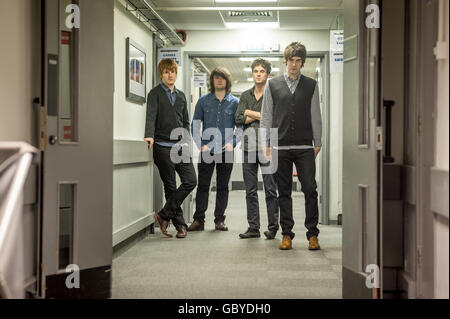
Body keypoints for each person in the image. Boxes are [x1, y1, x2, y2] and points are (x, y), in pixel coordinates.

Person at [260, 42, 322, 251]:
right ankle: (287, 234)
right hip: (280, 146)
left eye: (298, 61)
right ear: (285, 62)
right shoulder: (273, 84)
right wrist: (266, 144)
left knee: (310, 189)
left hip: (305, 145)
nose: (294, 65)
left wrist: (318, 141)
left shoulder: (311, 85)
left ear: (302, 62)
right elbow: (266, 116)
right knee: (283, 192)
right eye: (291, 61)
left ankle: (312, 234)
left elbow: (316, 114)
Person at [144, 58, 197, 239]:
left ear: (176, 73)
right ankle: (181, 225)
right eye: (166, 72)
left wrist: (186, 138)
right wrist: (149, 135)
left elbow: (186, 121)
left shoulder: (181, 96)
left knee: (190, 180)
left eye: (172, 71)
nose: (170, 75)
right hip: (162, 146)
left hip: (180, 146)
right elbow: (150, 116)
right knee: (171, 187)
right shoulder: (155, 94)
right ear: (161, 74)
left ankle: (163, 214)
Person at [188, 67, 242, 232]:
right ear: (212, 81)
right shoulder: (203, 101)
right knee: (203, 186)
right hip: (207, 150)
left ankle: (219, 220)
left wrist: (233, 142)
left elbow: (240, 127)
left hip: (226, 150)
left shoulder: (234, 102)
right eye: (216, 78)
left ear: (227, 81)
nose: (219, 80)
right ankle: (199, 220)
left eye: (222, 78)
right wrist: (200, 144)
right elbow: (195, 125)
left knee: (222, 186)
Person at [235, 58, 279, 240]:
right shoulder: (245, 95)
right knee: (250, 190)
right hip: (248, 148)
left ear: (267, 74)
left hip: (268, 147)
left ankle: (273, 227)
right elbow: (238, 119)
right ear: (252, 74)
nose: (258, 74)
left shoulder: (273, 94)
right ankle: (253, 227)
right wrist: (260, 116)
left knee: (270, 188)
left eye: (262, 71)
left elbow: (274, 118)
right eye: (256, 71)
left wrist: (249, 113)